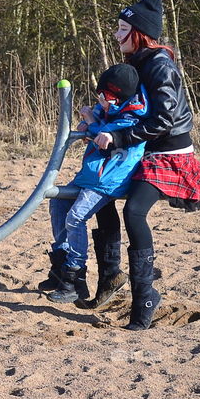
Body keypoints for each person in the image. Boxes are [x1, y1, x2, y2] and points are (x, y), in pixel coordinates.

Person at [89, 0, 200, 330]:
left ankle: (145, 298)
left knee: (134, 212)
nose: (116, 35)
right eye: (118, 28)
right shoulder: (138, 62)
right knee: (102, 194)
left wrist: (120, 139)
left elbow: (163, 119)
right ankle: (111, 278)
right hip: (142, 150)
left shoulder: (159, 64)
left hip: (167, 155)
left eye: (123, 29)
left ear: (140, 33)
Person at [45, 64, 149, 307]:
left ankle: (75, 273)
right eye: (99, 96)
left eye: (105, 97)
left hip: (108, 181)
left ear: (118, 97)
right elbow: (99, 125)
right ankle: (61, 264)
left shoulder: (131, 117)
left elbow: (106, 138)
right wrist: (91, 121)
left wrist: (91, 122)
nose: (100, 101)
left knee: (75, 218)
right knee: (58, 203)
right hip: (91, 176)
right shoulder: (110, 111)